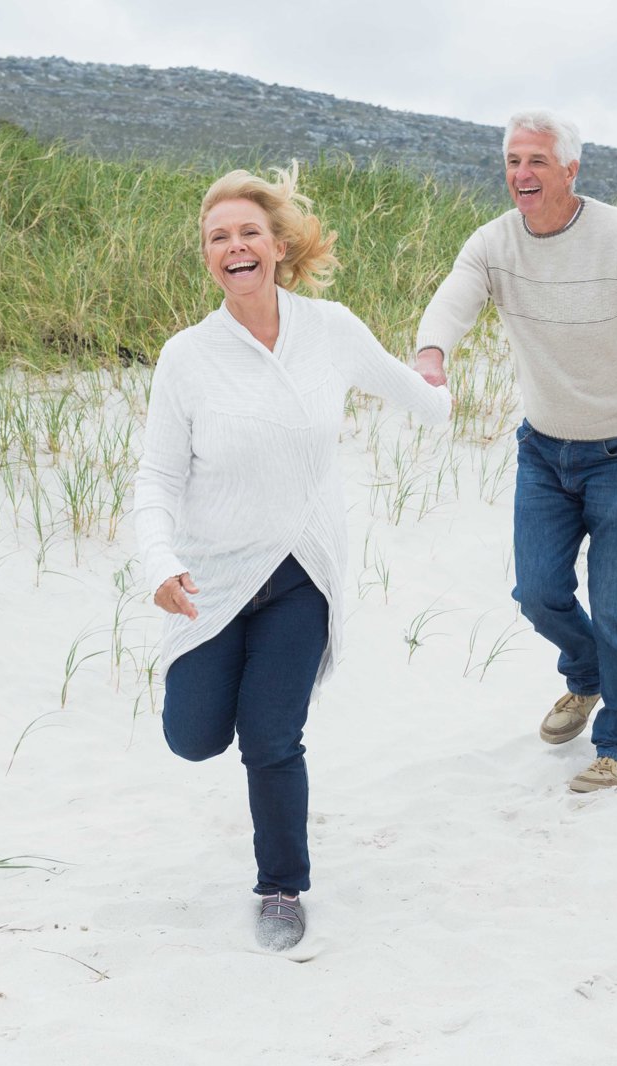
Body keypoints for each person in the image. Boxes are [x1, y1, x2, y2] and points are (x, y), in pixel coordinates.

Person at [134, 164, 450, 951]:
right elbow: (158, 476)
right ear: (206, 257)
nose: (234, 247)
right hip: (214, 577)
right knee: (196, 736)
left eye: (248, 233)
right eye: (218, 238)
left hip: (302, 572)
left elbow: (410, 391)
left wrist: (437, 379)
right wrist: (158, 562)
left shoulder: (331, 329)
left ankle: (282, 886)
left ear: (277, 245)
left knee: (271, 736)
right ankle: (225, 711)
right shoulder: (188, 356)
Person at [413, 110, 617, 794]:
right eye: (514, 160)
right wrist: (432, 352)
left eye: (537, 161)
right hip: (545, 453)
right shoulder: (495, 243)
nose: (522, 173)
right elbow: (456, 297)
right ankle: (589, 675)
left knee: (616, 609)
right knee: (539, 592)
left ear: (570, 170)